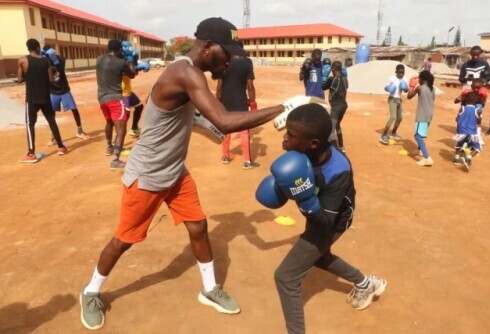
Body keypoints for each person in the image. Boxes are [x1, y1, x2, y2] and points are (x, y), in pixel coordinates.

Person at [79, 17, 311, 330]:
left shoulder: (189, 73)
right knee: (124, 239)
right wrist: (283, 107)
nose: (228, 60)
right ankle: (91, 291)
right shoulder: (185, 72)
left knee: (199, 227)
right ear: (208, 46)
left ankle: (209, 288)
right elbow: (226, 121)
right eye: (226, 52)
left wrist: (199, 125)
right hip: (147, 175)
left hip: (174, 172)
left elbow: (188, 114)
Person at [256, 103, 386, 334]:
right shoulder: (307, 151)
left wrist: (304, 198)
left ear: (313, 143)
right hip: (319, 209)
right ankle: (366, 284)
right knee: (318, 257)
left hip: (333, 220)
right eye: (286, 132)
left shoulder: (338, 171)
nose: (284, 140)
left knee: (286, 277)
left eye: (291, 136)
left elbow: (325, 225)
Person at [17, 38, 68, 163]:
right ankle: (61, 147)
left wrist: (26, 77)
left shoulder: (23, 60)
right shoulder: (45, 61)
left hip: (32, 98)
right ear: (38, 48)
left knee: (30, 124)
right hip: (45, 97)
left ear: (28, 48)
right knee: (51, 121)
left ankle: (31, 153)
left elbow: (19, 79)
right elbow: (51, 79)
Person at [216, 45, 259, 169]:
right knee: (244, 132)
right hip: (241, 102)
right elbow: (250, 86)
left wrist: (217, 103)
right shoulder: (246, 64)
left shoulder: (223, 64)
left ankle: (225, 156)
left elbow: (219, 87)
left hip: (225, 103)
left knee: (227, 131)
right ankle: (247, 161)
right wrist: (253, 104)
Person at [96, 39, 136, 170]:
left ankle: (109, 147)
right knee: (121, 128)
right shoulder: (121, 63)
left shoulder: (99, 59)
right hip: (115, 98)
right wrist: (130, 58)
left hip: (102, 98)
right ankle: (116, 160)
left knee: (109, 122)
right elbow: (132, 74)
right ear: (119, 50)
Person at [42, 44, 91, 144]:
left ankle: (80, 131)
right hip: (52, 92)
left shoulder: (59, 60)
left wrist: (53, 56)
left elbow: (62, 58)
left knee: (74, 109)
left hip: (64, 90)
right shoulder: (44, 63)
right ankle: (53, 137)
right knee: (51, 114)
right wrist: (43, 57)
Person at [407, 70, 435, 167]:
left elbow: (409, 96)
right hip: (429, 114)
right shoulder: (432, 88)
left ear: (422, 79)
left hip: (422, 114)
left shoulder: (420, 88)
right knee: (421, 133)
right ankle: (419, 150)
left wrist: (411, 86)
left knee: (418, 136)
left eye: (419, 78)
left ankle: (427, 158)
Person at [322, 60, 348, 151]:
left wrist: (325, 76)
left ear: (332, 69)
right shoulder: (345, 80)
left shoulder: (332, 79)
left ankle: (335, 150)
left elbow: (323, 87)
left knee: (331, 129)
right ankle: (341, 146)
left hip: (336, 108)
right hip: (343, 106)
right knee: (337, 125)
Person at [380, 64, 408, 145]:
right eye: (399, 72)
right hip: (392, 99)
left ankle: (393, 132)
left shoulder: (405, 79)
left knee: (400, 118)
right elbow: (385, 87)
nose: (401, 74)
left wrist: (405, 88)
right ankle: (384, 135)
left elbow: (406, 91)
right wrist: (389, 88)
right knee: (393, 117)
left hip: (399, 99)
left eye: (402, 72)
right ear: (396, 72)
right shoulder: (392, 78)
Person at [453, 91, 482, 171]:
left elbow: (457, 119)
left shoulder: (462, 108)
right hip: (472, 133)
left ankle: (456, 158)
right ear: (476, 101)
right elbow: (479, 122)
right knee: (477, 148)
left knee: (459, 144)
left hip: (461, 132)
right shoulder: (478, 110)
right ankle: (468, 157)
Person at [454, 78, 488, 144]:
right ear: (471, 86)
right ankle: (461, 136)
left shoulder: (482, 94)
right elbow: (456, 100)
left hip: (475, 111)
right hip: (465, 110)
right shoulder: (467, 92)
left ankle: (478, 136)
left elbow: (482, 104)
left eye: (478, 88)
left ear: (481, 87)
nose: (476, 89)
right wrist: (460, 98)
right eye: (474, 87)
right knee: (463, 123)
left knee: (478, 116)